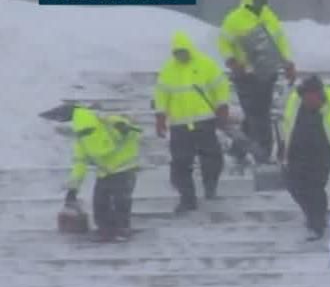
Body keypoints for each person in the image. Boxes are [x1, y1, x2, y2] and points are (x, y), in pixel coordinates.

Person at [218, 0, 296, 164]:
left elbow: (280, 42)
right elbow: (223, 42)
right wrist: (232, 62)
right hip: (244, 75)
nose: (261, 2)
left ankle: (239, 148)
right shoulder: (234, 19)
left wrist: (288, 63)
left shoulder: (269, 18)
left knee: (258, 113)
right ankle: (263, 151)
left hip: (267, 73)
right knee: (257, 115)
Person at [154, 31, 231, 214]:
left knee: (212, 157)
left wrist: (222, 106)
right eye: (177, 52)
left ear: (190, 49)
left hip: (204, 121)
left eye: (183, 51)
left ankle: (210, 185)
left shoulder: (206, 65)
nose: (181, 55)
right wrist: (160, 116)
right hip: (179, 125)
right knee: (180, 163)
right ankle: (187, 199)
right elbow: (161, 94)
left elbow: (220, 85)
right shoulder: (168, 70)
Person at [48, 104, 142, 242]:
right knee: (100, 203)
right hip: (105, 172)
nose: (88, 135)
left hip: (124, 169)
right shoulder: (82, 139)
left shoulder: (109, 122)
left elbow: (135, 131)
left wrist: (125, 128)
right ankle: (106, 230)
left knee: (121, 201)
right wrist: (73, 189)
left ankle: (122, 229)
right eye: (85, 132)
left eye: (89, 131)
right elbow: (80, 163)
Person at [280, 74, 330, 241]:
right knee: (294, 185)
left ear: (319, 94)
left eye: (313, 95)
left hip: (321, 153)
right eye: (306, 95)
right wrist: (283, 148)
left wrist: (323, 107)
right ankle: (313, 216)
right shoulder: (295, 101)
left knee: (314, 188)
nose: (309, 99)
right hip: (296, 153)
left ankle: (316, 224)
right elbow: (288, 124)